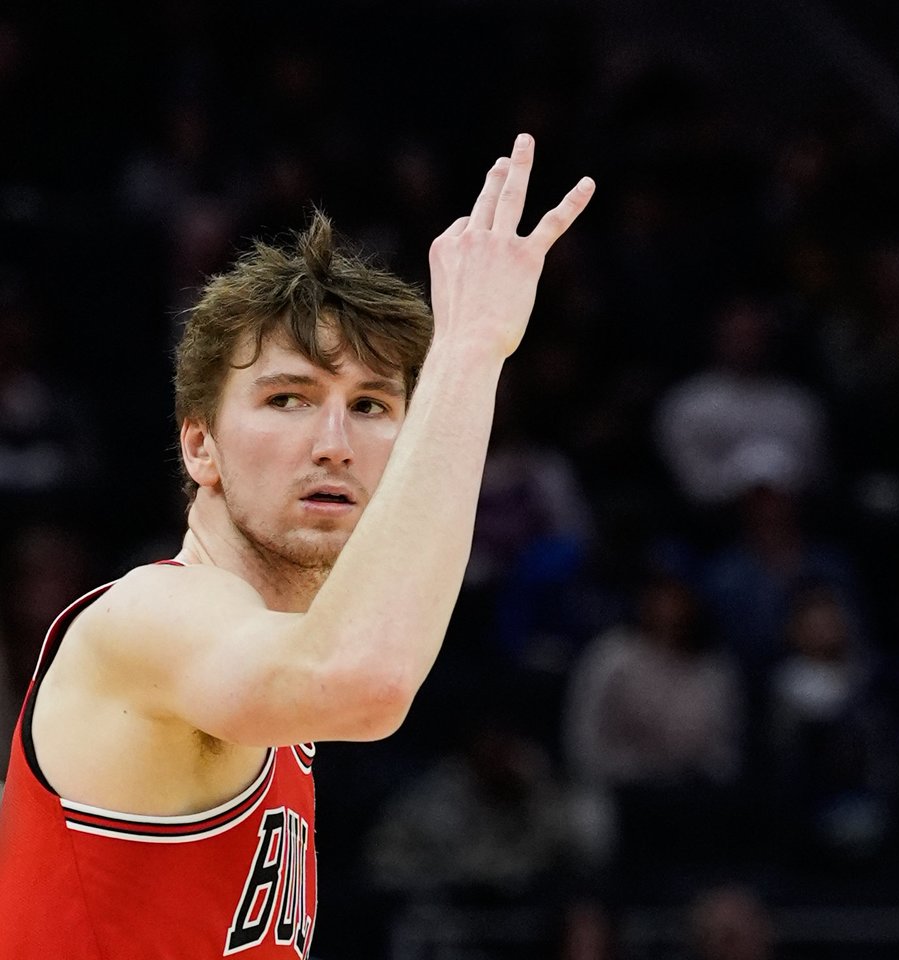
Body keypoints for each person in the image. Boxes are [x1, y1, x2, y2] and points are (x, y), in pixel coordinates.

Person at [0, 134, 594, 957]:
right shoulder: (150, 618)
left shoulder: (275, 677)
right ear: (200, 447)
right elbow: (366, 679)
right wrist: (469, 348)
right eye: (288, 399)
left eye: (372, 406)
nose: (334, 444)